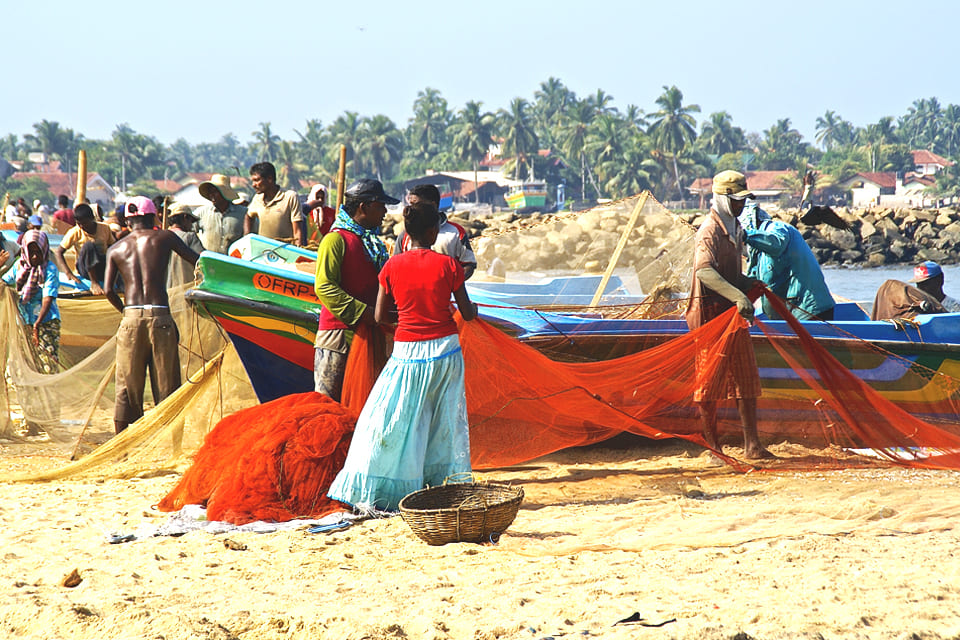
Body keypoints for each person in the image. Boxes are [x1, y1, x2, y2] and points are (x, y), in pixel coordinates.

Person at [327, 201, 479, 512]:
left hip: (407, 352)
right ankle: (443, 489)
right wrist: (471, 311)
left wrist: (409, 315)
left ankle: (389, 486)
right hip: (445, 352)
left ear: (406, 234)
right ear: (434, 232)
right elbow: (467, 312)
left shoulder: (391, 267)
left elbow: (382, 315)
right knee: (444, 422)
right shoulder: (449, 266)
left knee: (395, 420)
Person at [685, 170, 771, 460]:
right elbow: (705, 271)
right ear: (722, 199)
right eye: (735, 200)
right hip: (710, 318)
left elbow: (730, 274)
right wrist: (737, 295)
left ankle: (753, 446)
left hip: (731, 316)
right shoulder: (709, 229)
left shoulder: (735, 228)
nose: (740, 205)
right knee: (709, 386)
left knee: (746, 380)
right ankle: (713, 448)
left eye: (743, 200)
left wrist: (747, 284)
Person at [103, 196, 200, 434]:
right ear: (152, 216)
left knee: (127, 387)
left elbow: (108, 290)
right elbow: (197, 260)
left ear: (128, 220)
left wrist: (126, 313)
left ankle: (121, 448)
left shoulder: (116, 248)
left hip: (131, 318)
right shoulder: (165, 237)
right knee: (168, 386)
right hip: (160, 317)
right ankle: (170, 445)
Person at [313, 178, 399, 401]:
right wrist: (366, 313)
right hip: (339, 336)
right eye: (380, 206)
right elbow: (324, 286)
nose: (384, 212)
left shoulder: (370, 242)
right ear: (364, 207)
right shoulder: (335, 240)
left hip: (369, 335)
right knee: (329, 403)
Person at [739, 201, 835, 321]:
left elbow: (776, 244)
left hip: (809, 309)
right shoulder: (756, 252)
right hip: (790, 314)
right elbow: (753, 281)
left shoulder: (777, 228)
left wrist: (745, 235)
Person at [0, 231, 61, 375]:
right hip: (23, 322)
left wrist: (37, 325)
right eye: (31, 252)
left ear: (44, 250)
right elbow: (3, 284)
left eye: (38, 252)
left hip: (45, 322)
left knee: (46, 366)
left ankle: (48, 397)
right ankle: (26, 397)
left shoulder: (49, 269)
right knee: (21, 366)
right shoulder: (18, 267)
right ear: (25, 251)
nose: (34, 256)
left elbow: (48, 298)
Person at [393, 184, 477, 280]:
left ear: (433, 205)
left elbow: (468, 264)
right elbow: (395, 267)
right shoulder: (406, 234)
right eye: (411, 204)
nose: (412, 209)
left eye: (416, 205)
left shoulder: (456, 232)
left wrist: (452, 284)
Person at [55, 203, 115, 296]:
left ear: (92, 219)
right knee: (88, 246)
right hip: (85, 269)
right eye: (79, 224)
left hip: (101, 266)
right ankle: (94, 283)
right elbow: (59, 252)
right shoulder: (75, 232)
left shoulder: (104, 228)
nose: (82, 226)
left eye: (85, 223)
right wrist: (68, 272)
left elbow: (112, 247)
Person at [244, 162, 304, 246]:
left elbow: (297, 231)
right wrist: (246, 238)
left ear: (269, 179)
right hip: (262, 251)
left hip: (285, 251)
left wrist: (298, 251)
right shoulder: (257, 198)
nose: (253, 185)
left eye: (257, 180)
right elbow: (248, 216)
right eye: (253, 181)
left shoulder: (290, 197)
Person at [195, 174, 247, 254]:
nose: (211, 195)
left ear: (224, 193)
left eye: (215, 192)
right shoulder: (202, 213)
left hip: (233, 262)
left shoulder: (243, 213)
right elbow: (188, 231)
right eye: (210, 192)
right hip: (209, 261)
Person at [165, 202, 205, 290]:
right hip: (184, 290)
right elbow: (202, 262)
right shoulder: (189, 237)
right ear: (185, 218)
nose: (191, 225)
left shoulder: (159, 238)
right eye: (191, 221)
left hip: (164, 293)